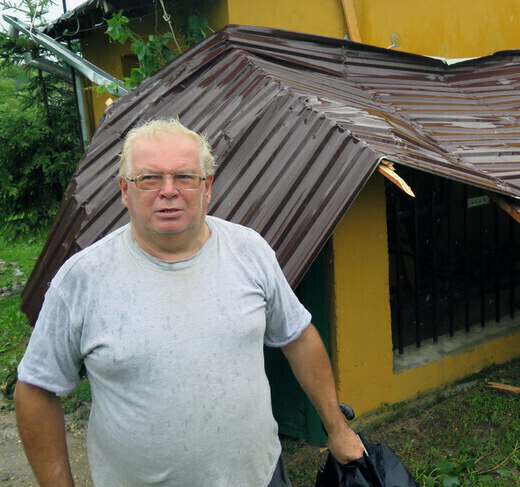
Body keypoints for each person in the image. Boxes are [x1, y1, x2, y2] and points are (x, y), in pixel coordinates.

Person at [14, 118, 364, 487]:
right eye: (149, 178)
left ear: (207, 186)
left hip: (262, 477)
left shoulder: (249, 250)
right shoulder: (81, 279)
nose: (168, 191)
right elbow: (36, 388)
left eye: (184, 177)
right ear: (124, 189)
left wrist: (337, 428)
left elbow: (298, 337)